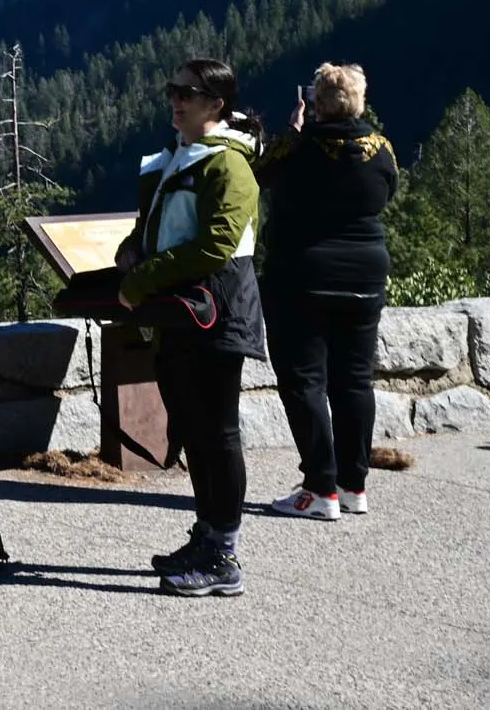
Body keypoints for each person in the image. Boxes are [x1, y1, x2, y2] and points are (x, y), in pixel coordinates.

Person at [117, 57, 266, 598]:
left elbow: (215, 245)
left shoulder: (229, 166)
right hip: (181, 313)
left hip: (218, 311)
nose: (175, 99)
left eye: (188, 92)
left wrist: (141, 281)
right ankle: (205, 536)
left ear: (216, 104)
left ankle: (223, 554)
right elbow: (159, 230)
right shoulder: (182, 157)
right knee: (194, 432)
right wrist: (132, 250)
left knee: (217, 433)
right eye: (171, 89)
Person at [256, 62, 399, 519]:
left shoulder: (300, 148)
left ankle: (320, 488)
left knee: (304, 382)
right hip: (366, 275)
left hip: (304, 275)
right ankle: (353, 484)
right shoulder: (381, 149)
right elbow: (389, 190)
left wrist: (293, 131)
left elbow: (260, 172)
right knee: (354, 380)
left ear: (316, 103)